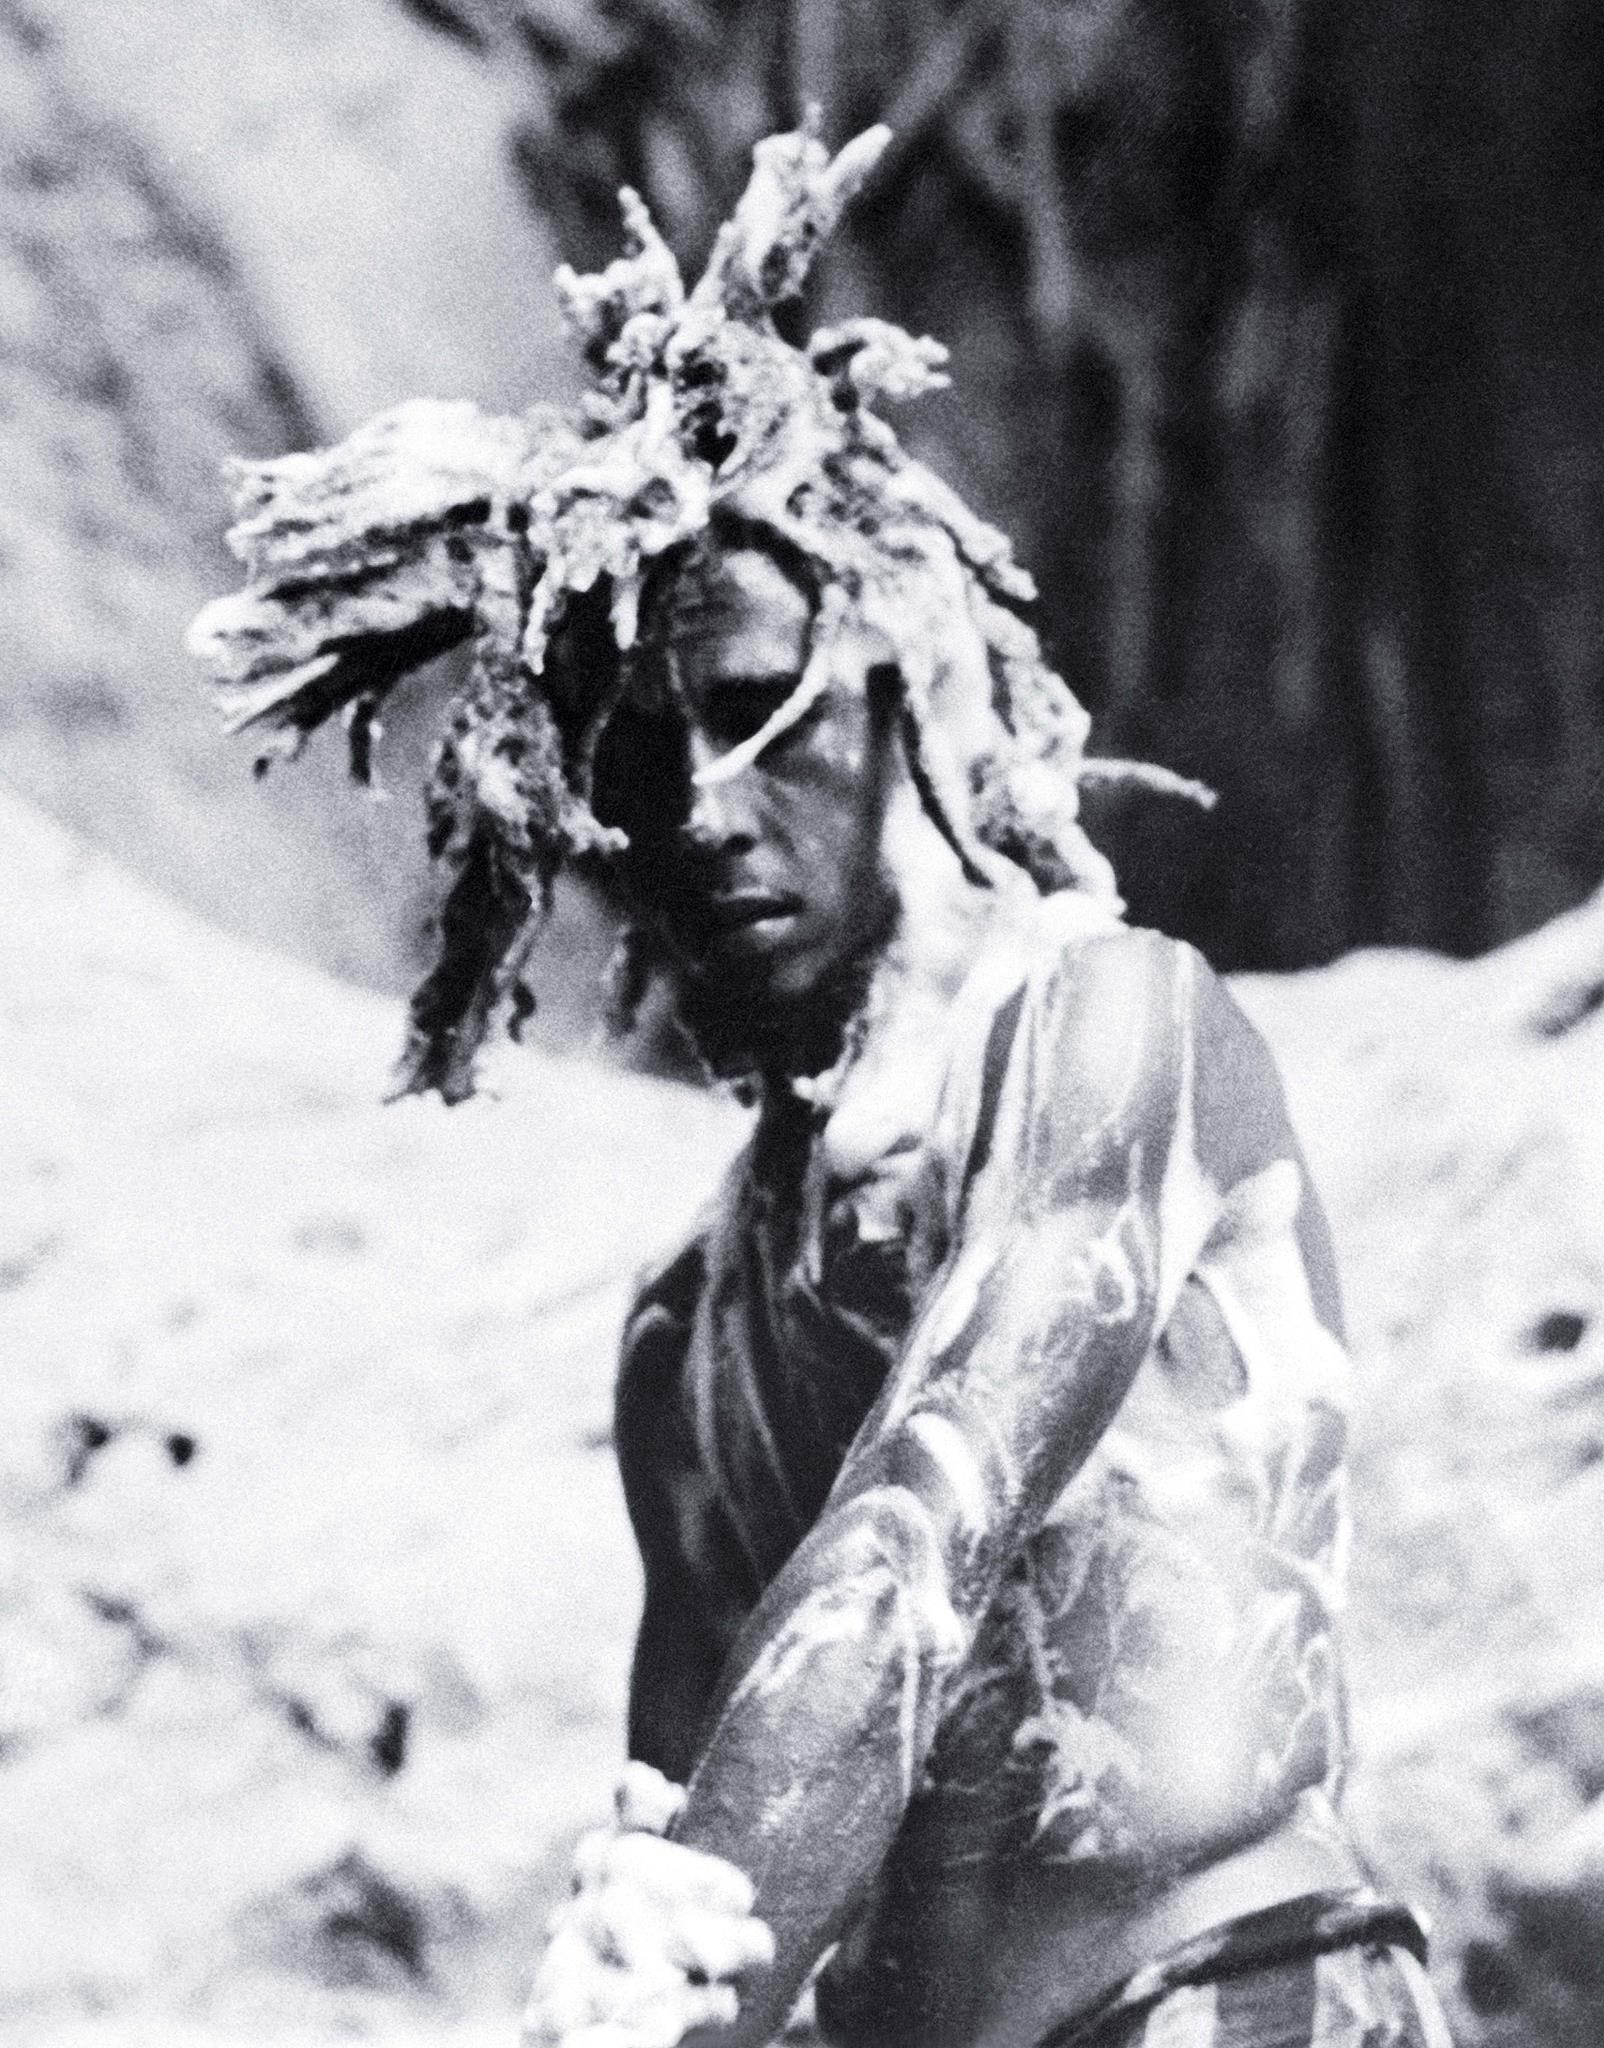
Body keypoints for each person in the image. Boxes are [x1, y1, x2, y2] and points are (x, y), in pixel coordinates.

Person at [191, 123, 1455, 2048]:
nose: (698, 808)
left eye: (750, 715)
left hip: (1242, 2004)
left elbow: (917, 1539)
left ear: (898, 693)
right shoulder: (686, 1340)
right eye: (628, 770)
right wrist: (629, 1959)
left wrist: (661, 1992)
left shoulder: (1107, 1033)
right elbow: (699, 1848)